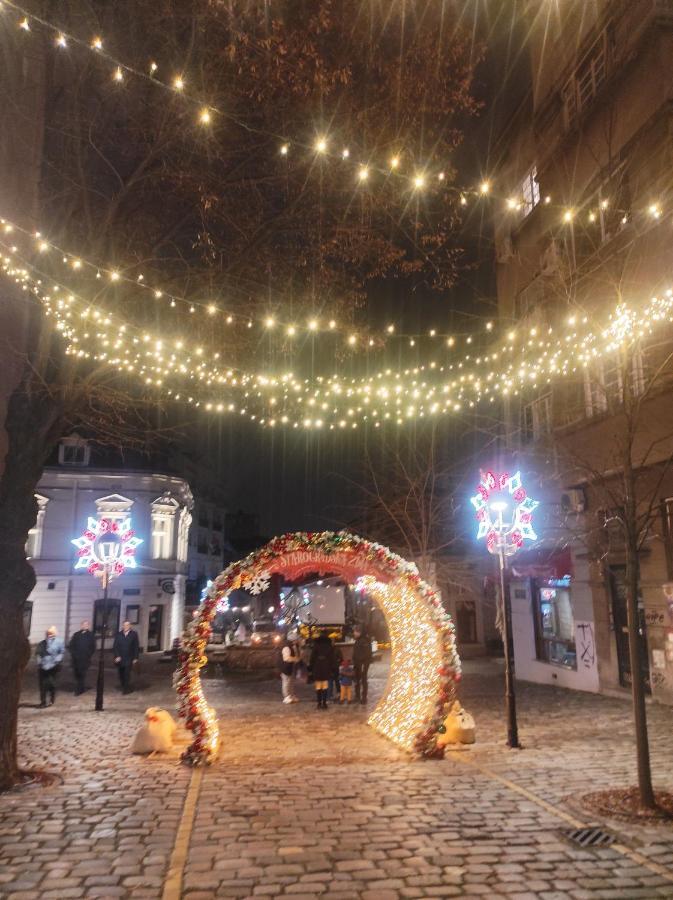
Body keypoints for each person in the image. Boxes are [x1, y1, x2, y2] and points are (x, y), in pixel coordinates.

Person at [36, 626, 64, 708]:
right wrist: (39, 662)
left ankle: (52, 698)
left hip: (54, 666)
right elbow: (38, 654)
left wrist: (57, 660)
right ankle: (43, 702)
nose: (49, 635)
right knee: (43, 685)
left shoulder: (59, 642)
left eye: (51, 634)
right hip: (43, 667)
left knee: (52, 684)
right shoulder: (42, 643)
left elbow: (61, 652)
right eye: (48, 634)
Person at [309, 633, 336, 710]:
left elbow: (312, 658)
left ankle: (319, 703)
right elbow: (332, 659)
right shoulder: (329, 647)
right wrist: (332, 669)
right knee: (324, 686)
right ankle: (324, 703)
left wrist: (311, 668)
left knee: (318, 686)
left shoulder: (316, 646)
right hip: (326, 667)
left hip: (317, 667)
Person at [69, 620, 96, 695]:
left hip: (85, 658)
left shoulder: (91, 635)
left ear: (88, 626)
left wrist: (88, 654)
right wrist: (73, 654)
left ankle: (79, 689)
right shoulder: (76, 635)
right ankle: (80, 687)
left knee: (82, 674)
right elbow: (71, 645)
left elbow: (93, 647)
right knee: (76, 674)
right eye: (84, 625)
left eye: (87, 625)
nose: (85, 626)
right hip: (76, 658)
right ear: (81, 626)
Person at [112, 620, 140, 694]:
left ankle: (126, 689)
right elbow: (115, 646)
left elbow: (136, 647)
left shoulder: (134, 634)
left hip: (129, 657)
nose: (126, 626)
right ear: (122, 626)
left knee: (127, 673)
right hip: (120, 658)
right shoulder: (119, 634)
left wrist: (135, 658)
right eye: (124, 625)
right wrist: (117, 656)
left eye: (127, 625)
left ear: (130, 626)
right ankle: (123, 685)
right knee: (121, 674)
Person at [353, 627, 373, 704]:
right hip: (357, 664)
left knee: (363, 680)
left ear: (359, 632)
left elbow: (367, 654)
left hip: (362, 664)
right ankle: (357, 696)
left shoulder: (364, 641)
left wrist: (361, 662)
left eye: (355, 632)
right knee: (357, 680)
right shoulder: (358, 641)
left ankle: (364, 698)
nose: (354, 633)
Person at [279, 632, 300, 704]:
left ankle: (291, 695)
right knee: (286, 682)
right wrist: (295, 659)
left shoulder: (293, 645)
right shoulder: (286, 646)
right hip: (286, 667)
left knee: (291, 682)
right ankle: (286, 696)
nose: (298, 640)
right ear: (293, 639)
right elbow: (286, 658)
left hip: (291, 667)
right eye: (297, 639)